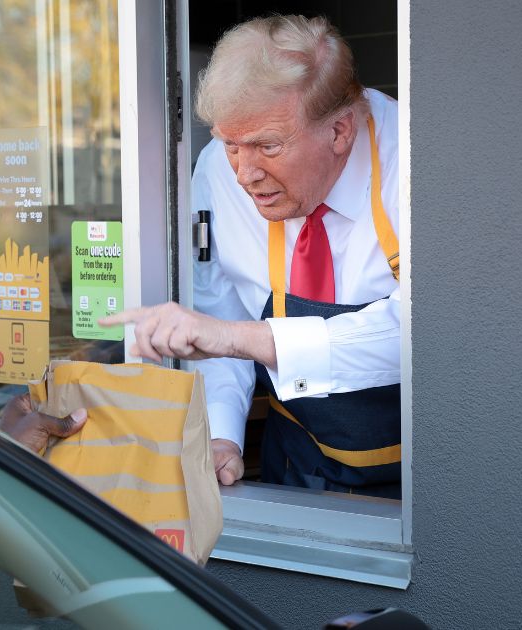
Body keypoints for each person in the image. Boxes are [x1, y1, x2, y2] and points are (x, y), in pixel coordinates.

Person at [101, 15, 402, 497]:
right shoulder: (218, 173)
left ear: (341, 131)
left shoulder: (413, 163)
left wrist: (238, 337)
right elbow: (221, 315)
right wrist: (222, 435)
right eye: (231, 145)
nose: (244, 173)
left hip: (419, 482)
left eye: (267, 146)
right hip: (297, 462)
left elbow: (420, 333)